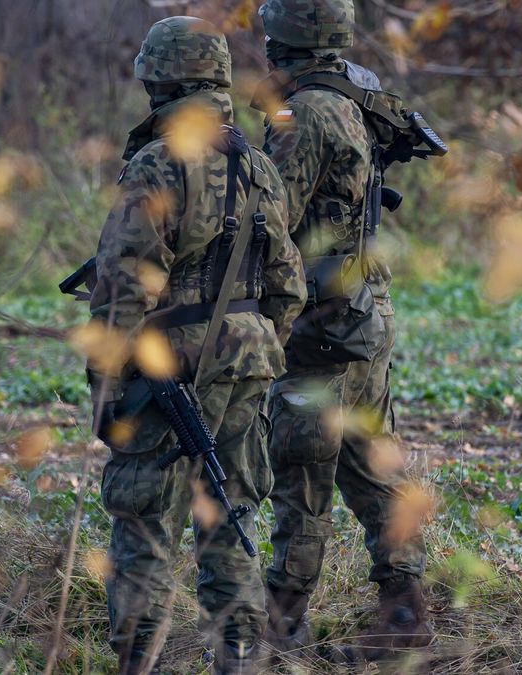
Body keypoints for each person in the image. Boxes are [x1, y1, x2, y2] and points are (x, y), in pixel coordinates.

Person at [85, 16, 305, 674]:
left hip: (168, 368)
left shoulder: (158, 163)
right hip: (248, 361)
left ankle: (139, 661)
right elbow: (287, 284)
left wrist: (107, 386)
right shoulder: (256, 165)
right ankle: (238, 657)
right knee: (229, 516)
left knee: (145, 521)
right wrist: (258, 347)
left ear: (161, 82)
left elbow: (124, 284)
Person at [255, 0, 432, 661]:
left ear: (286, 36)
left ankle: (281, 626)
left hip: (324, 325)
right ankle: (405, 615)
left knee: (302, 472)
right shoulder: (354, 91)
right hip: (364, 311)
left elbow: (269, 223)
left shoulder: (304, 113)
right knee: (369, 466)